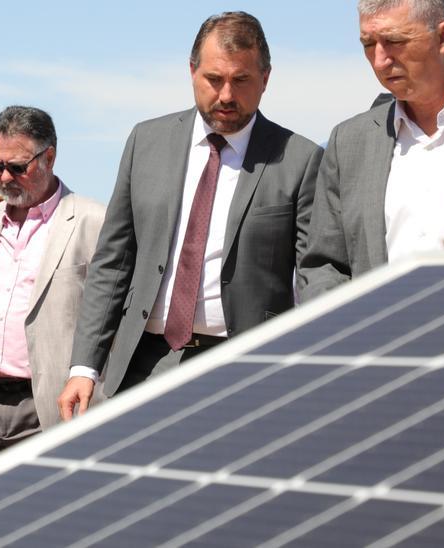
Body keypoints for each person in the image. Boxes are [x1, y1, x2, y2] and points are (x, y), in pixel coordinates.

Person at [58, 12, 323, 418]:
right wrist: (84, 366)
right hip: (144, 366)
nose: (227, 95)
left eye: (242, 80)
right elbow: (112, 263)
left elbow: (314, 277)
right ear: (191, 70)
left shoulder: (300, 160)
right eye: (214, 79)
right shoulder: (145, 142)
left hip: (248, 373)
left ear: (266, 78)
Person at [299, 0, 444, 299]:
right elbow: (324, 265)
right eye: (368, 44)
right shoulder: (348, 142)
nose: (380, 60)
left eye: (395, 41)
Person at [0, 106, 105, 474]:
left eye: (17, 167)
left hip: (51, 406)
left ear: (49, 156)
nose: (5, 177)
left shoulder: (92, 220)